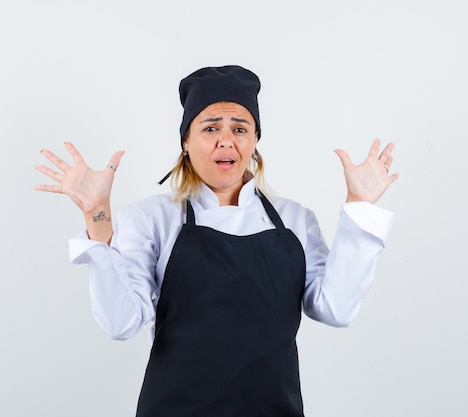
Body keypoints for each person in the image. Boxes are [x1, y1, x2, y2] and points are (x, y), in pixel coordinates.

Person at [35, 65, 399, 417]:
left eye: (240, 128)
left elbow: (335, 308)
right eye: (210, 127)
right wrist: (97, 214)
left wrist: (360, 207)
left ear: (255, 141)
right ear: (187, 142)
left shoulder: (294, 220)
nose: (226, 139)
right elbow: (121, 323)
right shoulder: (153, 219)